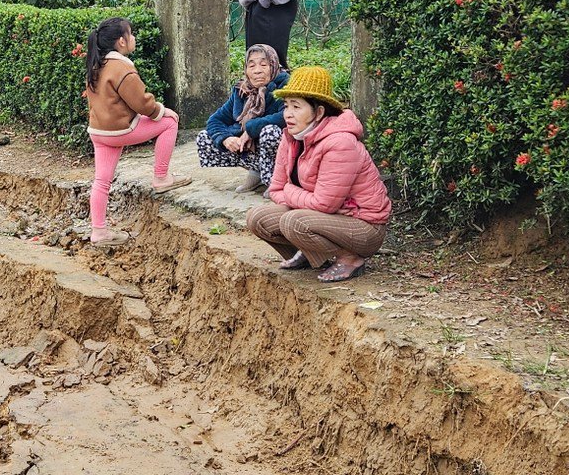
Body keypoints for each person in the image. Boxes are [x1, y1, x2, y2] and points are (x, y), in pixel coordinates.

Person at [244, 66, 392, 282]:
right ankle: (311, 253)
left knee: (294, 221)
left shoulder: (340, 142)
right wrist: (298, 196)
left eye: (297, 106)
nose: (288, 114)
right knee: (258, 218)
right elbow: (276, 188)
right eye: (286, 106)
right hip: (321, 216)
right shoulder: (291, 136)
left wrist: (290, 191)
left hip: (363, 227)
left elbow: (324, 204)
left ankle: (350, 259)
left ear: (319, 112)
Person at [83, 17, 188, 244]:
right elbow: (142, 103)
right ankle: (161, 177)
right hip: (121, 129)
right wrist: (161, 111)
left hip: (99, 131)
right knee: (170, 121)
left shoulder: (97, 64)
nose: (134, 38)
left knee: (101, 181)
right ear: (121, 41)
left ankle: (98, 231)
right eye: (131, 34)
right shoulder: (122, 68)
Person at [196, 43, 290, 192]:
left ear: (273, 65)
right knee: (205, 137)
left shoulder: (284, 85)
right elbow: (215, 120)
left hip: (283, 150)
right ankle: (256, 172)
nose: (257, 71)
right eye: (251, 66)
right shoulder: (242, 90)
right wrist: (226, 138)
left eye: (263, 65)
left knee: (270, 132)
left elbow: (286, 116)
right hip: (252, 149)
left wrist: (251, 129)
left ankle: (276, 179)